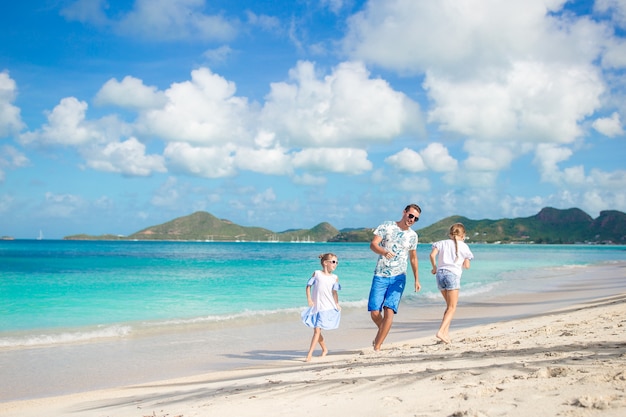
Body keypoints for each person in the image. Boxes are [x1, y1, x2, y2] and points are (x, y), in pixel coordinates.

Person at [368, 204, 421, 351]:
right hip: (380, 274)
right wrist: (384, 252)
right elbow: (373, 245)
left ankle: (377, 347)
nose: (412, 220)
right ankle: (383, 331)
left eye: (416, 219)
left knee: (389, 310)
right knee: (374, 312)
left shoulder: (413, 236)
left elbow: (413, 258)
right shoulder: (387, 226)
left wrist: (417, 279)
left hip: (399, 277)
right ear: (404, 212)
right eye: (411, 216)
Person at [429, 222, 474, 344]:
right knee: (452, 307)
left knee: (449, 306)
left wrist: (434, 267)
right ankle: (440, 331)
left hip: (440, 274)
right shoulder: (464, 246)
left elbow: (432, 255)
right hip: (452, 275)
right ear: (463, 235)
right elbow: (467, 266)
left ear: (450, 234)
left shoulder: (442, 243)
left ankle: (445, 335)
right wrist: (464, 260)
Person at [301, 253, 341, 362]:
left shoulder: (335, 277)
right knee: (317, 330)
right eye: (333, 262)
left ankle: (309, 355)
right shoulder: (317, 274)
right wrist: (309, 299)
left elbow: (334, 292)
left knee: (317, 331)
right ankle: (324, 349)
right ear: (325, 263)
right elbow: (308, 286)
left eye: (337, 262)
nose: (335, 264)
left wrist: (337, 304)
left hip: (327, 307)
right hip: (316, 307)